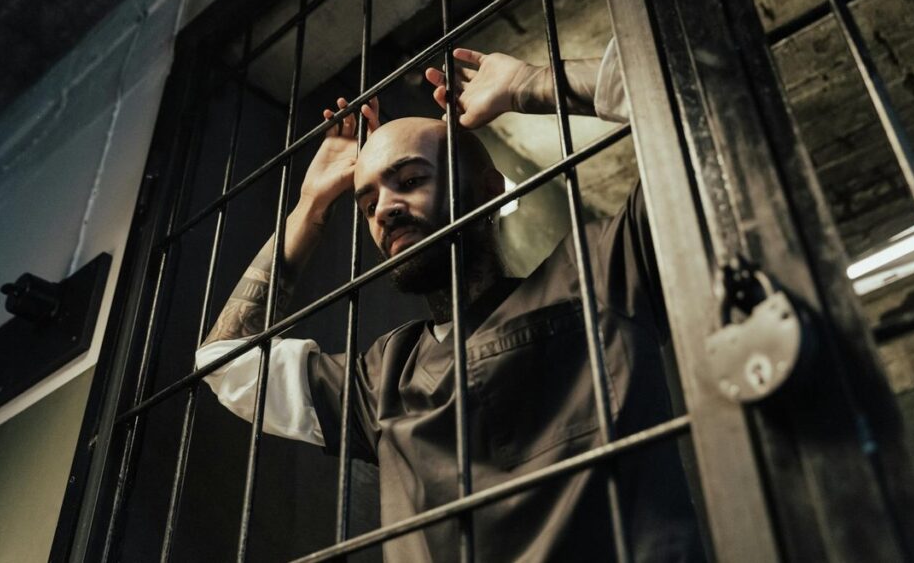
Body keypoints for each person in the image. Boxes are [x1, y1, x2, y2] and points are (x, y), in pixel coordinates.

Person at [196, 41, 704, 561]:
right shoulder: (382, 376)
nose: (385, 210)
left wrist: (532, 84)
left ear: (488, 191)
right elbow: (222, 362)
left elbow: (702, 103)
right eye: (367, 203)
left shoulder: (598, 268)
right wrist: (311, 205)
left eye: (411, 180)